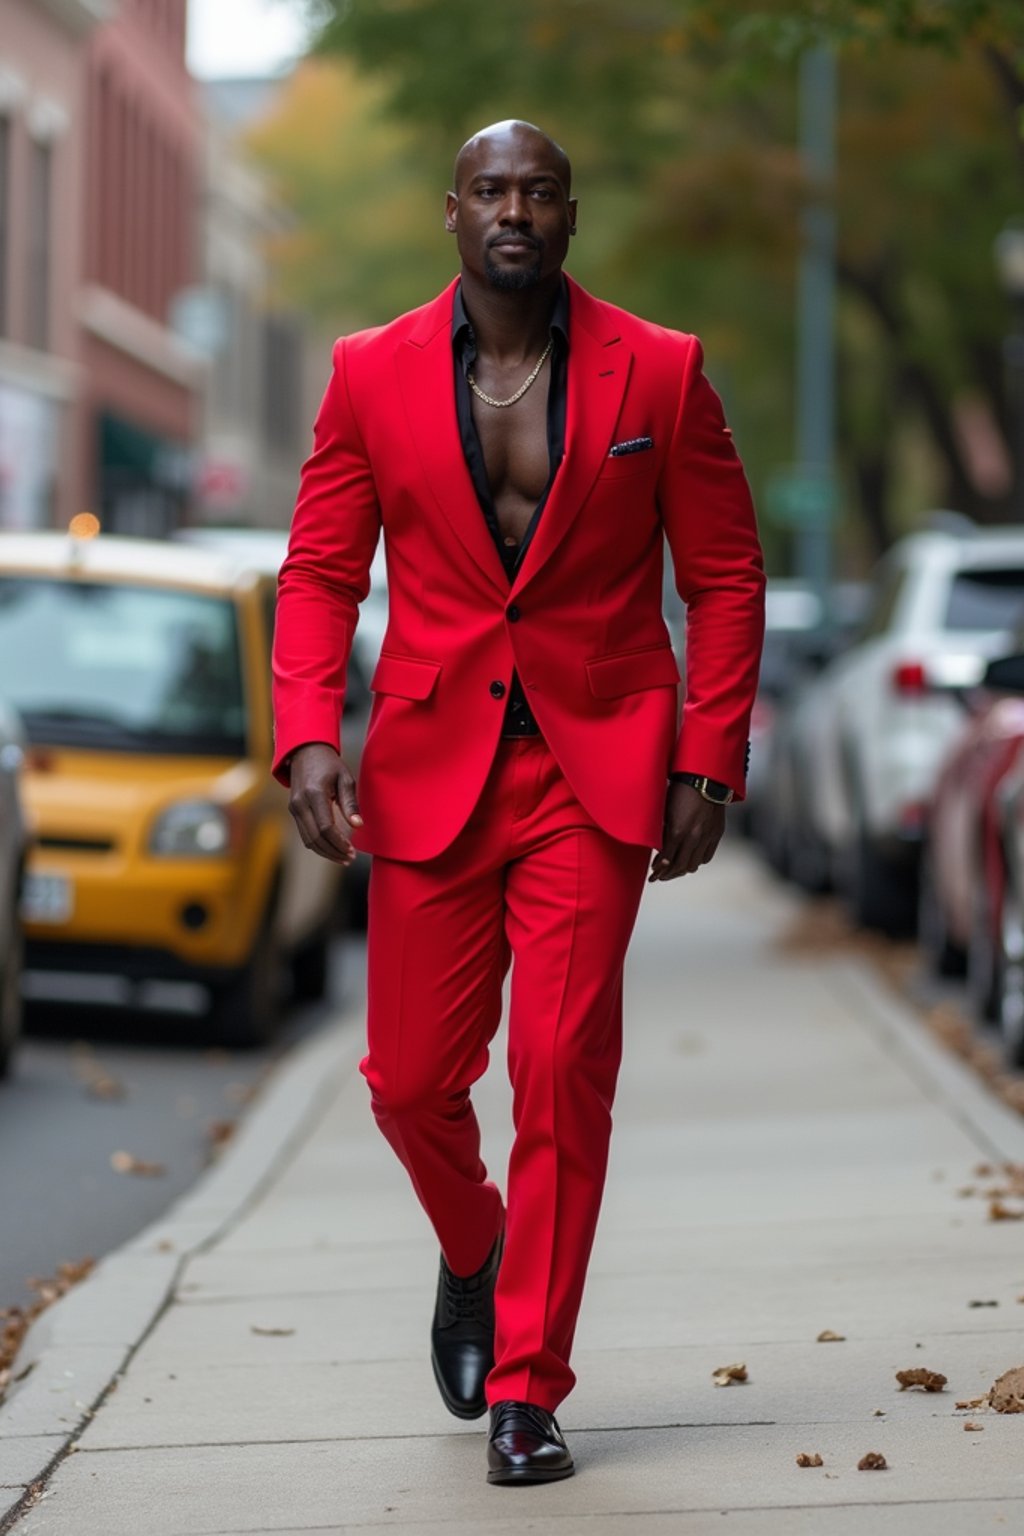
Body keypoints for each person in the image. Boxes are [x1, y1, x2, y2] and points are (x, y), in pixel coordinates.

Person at [272, 119, 765, 1486]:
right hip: (433, 767)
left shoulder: (659, 371)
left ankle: (531, 1389)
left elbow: (725, 577)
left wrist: (706, 757)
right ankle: (477, 1247)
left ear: (569, 217)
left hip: (594, 767)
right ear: (452, 212)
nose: (515, 211)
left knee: (561, 1072)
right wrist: (308, 732)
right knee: (411, 1084)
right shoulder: (367, 373)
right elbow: (320, 571)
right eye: (491, 189)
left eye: (540, 192)